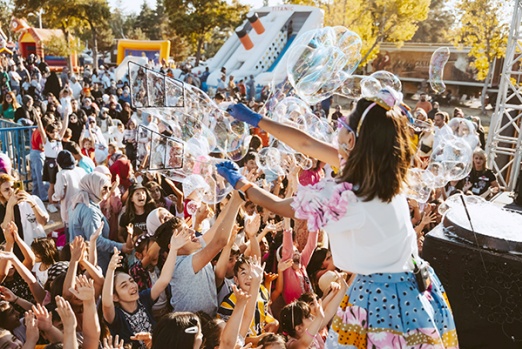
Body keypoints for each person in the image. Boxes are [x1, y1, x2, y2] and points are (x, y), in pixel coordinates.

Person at [219, 89, 458, 347]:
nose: (338, 129)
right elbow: (307, 145)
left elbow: (281, 205)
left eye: (343, 125)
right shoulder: (382, 168)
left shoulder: (349, 197)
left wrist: (240, 183)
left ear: (353, 140)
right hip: (414, 284)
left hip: (382, 300)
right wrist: (256, 120)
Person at [102, 226, 191, 348]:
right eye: (124, 286)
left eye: (131, 281)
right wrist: (111, 270)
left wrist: (174, 249)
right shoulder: (116, 316)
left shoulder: (143, 299)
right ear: (115, 297)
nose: (132, 286)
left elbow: (163, 281)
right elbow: (106, 303)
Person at [68, 172, 132, 272]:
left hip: (83, 260)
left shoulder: (79, 202)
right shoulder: (89, 210)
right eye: (104, 188)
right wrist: (121, 247)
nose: (107, 191)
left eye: (109, 188)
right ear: (93, 186)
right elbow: (96, 240)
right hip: (95, 261)